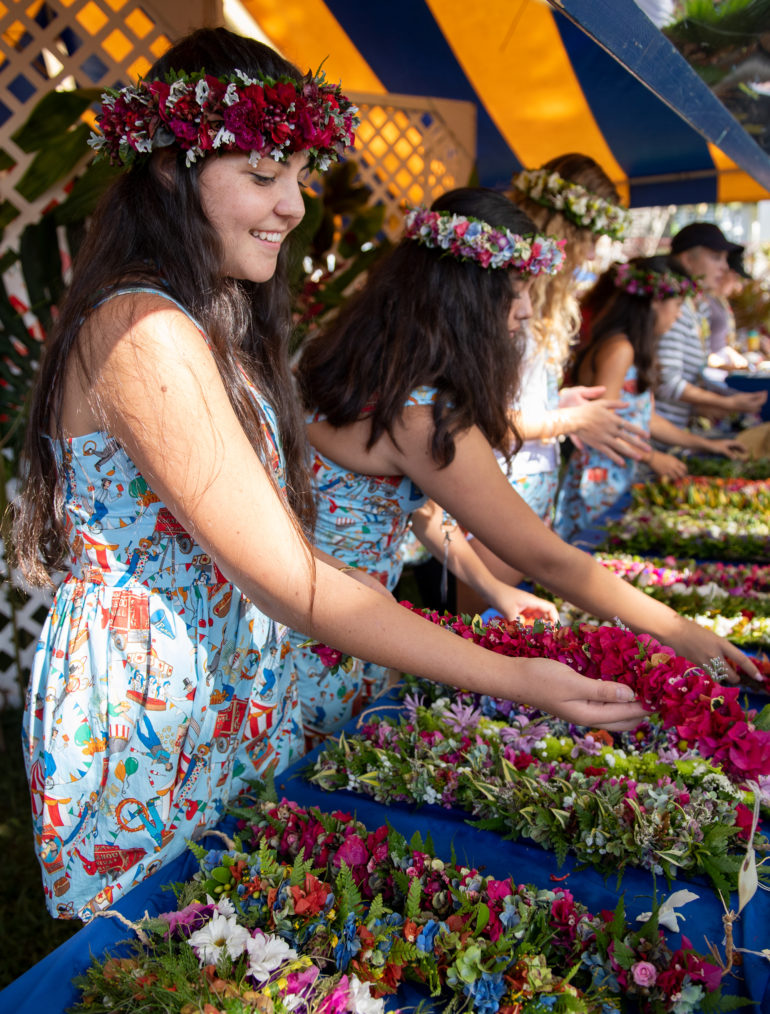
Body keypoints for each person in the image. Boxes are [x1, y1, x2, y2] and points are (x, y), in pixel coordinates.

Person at [13, 28, 650, 923]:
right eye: (264, 173)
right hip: (148, 712)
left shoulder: (204, 322)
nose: (294, 205)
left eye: (301, 175)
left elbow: (284, 550)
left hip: (221, 686)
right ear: (167, 169)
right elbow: (292, 582)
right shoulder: (142, 331)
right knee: (162, 958)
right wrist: (513, 676)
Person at [293, 188, 758, 742]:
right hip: (326, 636)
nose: (527, 311)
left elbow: (409, 510)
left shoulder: (356, 361)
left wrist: (494, 588)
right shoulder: (421, 415)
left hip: (320, 614)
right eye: (515, 293)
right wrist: (679, 632)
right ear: (460, 298)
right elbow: (548, 558)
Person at [455, 155, 650, 609]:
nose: (592, 253)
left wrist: (558, 401)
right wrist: (569, 418)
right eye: (590, 239)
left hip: (532, 485)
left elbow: (515, 398)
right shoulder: (502, 299)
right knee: (480, 631)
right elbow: (483, 419)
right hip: (498, 489)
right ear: (566, 229)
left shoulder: (540, 299)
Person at [553, 257, 748, 542]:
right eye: (679, 306)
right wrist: (652, 456)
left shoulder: (632, 347)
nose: (680, 316)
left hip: (617, 474)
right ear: (655, 302)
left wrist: (707, 444)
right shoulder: (619, 349)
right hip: (599, 480)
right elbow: (601, 425)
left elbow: (645, 418)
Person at [655, 222, 767, 430]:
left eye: (724, 259)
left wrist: (728, 400)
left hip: (677, 430)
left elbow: (692, 374)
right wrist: (728, 402)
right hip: (657, 438)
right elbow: (666, 381)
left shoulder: (699, 308)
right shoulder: (673, 309)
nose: (725, 267)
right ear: (687, 259)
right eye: (716, 257)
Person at [706, 247, 750, 371]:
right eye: (735, 277)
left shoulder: (720, 300)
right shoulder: (704, 300)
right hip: (711, 372)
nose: (737, 284)